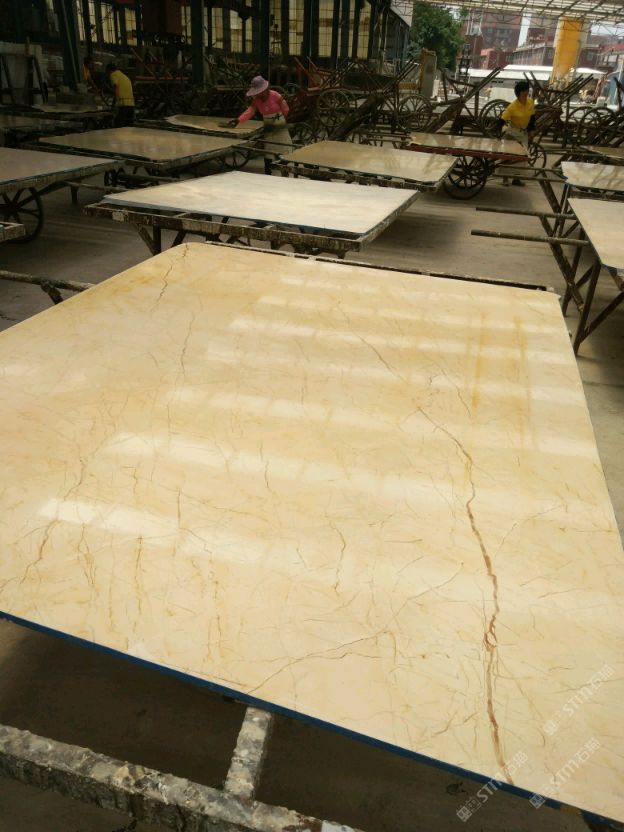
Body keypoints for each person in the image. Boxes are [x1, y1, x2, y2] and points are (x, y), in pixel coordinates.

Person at [236, 76, 291, 174]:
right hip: (268, 125)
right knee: (269, 150)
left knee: (283, 148)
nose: (258, 94)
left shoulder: (275, 95)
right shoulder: (257, 100)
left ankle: (284, 171)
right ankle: (268, 173)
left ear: (265, 89)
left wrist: (280, 120)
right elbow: (250, 111)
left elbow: (285, 109)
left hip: (279, 124)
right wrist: (239, 120)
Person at [499, 80, 536, 187]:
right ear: (518, 93)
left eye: (527, 92)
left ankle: (517, 179)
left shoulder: (530, 102)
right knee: (508, 156)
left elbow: (532, 118)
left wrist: (531, 130)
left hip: (523, 134)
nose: (526, 95)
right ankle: (505, 178)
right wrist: (496, 133)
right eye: (523, 93)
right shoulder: (512, 107)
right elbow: (501, 120)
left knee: (522, 157)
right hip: (512, 134)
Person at [106, 62, 135, 127]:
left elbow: (116, 87)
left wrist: (116, 103)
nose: (107, 74)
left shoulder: (113, 74)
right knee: (129, 125)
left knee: (118, 124)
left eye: (107, 72)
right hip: (131, 103)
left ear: (109, 70)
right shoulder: (125, 76)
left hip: (123, 103)